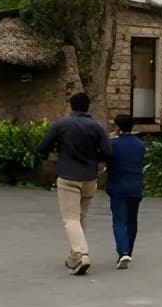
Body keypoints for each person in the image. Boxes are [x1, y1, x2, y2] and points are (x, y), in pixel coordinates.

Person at [38, 93, 112, 275]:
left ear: (71, 106)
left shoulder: (61, 125)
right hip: (89, 177)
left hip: (68, 176)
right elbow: (107, 153)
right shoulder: (97, 127)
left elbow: (43, 146)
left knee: (70, 219)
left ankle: (81, 253)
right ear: (88, 107)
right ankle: (73, 257)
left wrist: (47, 157)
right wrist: (95, 160)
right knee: (81, 217)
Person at [106, 114, 146, 270]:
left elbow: (107, 159)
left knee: (119, 221)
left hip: (118, 185)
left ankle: (123, 251)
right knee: (132, 221)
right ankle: (129, 250)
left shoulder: (112, 144)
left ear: (117, 127)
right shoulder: (140, 145)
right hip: (136, 185)